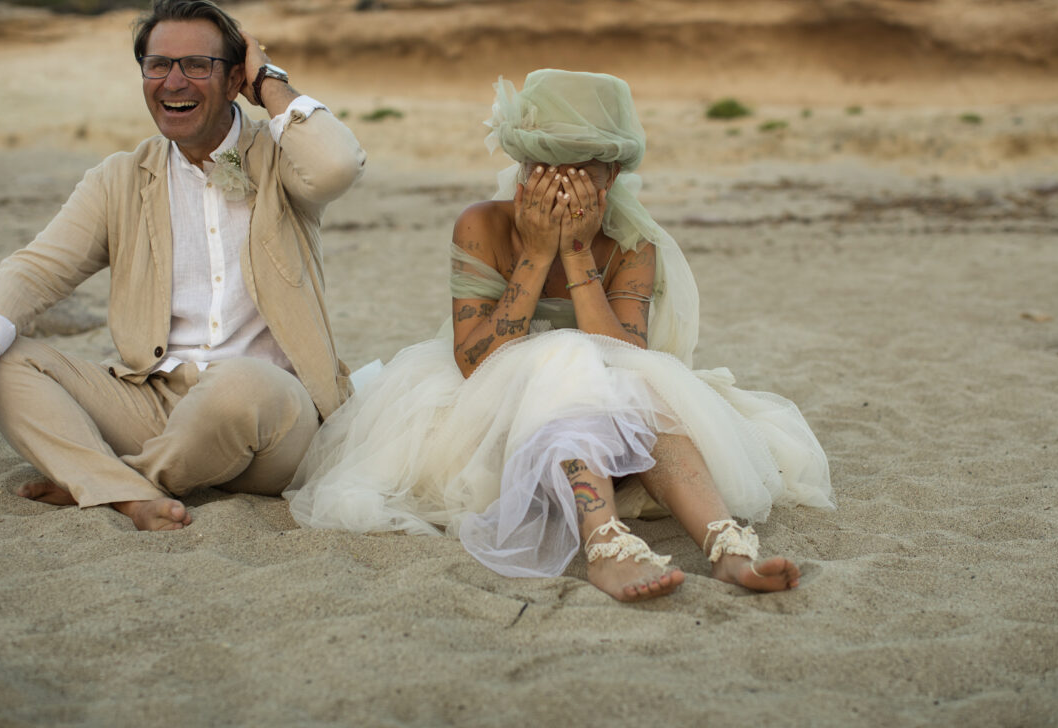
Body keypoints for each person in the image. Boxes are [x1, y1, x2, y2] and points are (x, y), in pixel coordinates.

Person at [286, 69, 833, 601]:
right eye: (545, 170)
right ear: (523, 168)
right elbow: (477, 361)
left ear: (611, 177)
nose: (560, 189)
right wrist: (537, 252)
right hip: (492, 424)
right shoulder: (483, 224)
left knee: (638, 387)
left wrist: (574, 254)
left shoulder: (632, 243)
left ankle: (728, 548)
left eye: (579, 173)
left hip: (615, 424)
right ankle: (605, 544)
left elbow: (628, 356)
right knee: (565, 354)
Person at [0, 0, 366, 531]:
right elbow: (33, 270)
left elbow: (337, 165)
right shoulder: (120, 177)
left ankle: (116, 483)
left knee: (241, 384)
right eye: (157, 65)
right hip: (156, 406)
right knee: (1, 360)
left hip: (274, 420)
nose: (174, 82)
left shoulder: (282, 157)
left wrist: (269, 80)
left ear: (235, 79)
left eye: (196, 65)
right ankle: (129, 486)